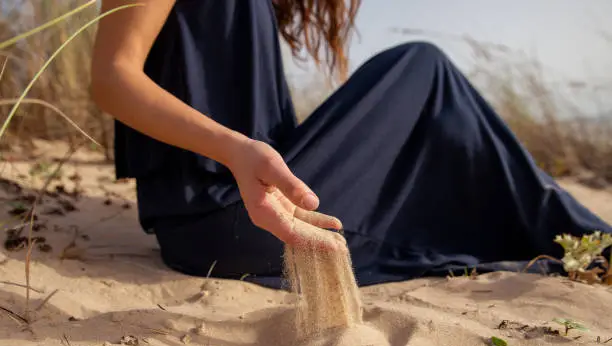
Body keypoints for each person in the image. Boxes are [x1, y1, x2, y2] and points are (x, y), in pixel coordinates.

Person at [90, 0, 611, 288]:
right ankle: (589, 238)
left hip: (258, 211)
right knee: (420, 67)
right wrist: (233, 150)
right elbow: (111, 77)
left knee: (424, 93)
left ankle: (581, 238)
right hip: (225, 219)